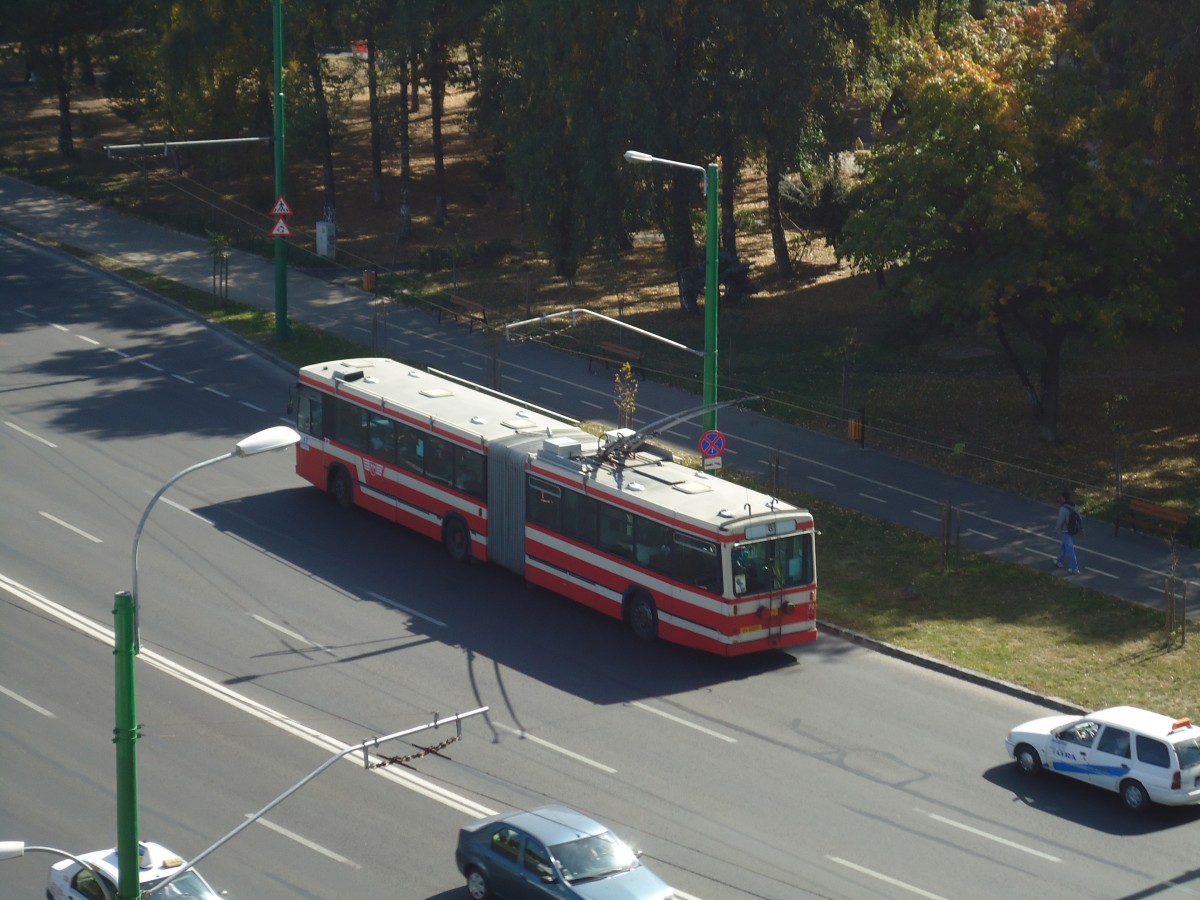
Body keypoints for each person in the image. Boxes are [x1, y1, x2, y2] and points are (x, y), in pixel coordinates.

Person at [1054, 490, 1081, 574]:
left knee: (1070, 548)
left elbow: (1060, 520)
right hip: (1073, 529)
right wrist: (1080, 528)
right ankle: (1059, 561)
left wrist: (1056, 529)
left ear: (1063, 498)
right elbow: (1079, 518)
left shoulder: (1063, 508)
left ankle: (1074, 568)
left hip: (1066, 530)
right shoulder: (1075, 506)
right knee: (1064, 546)